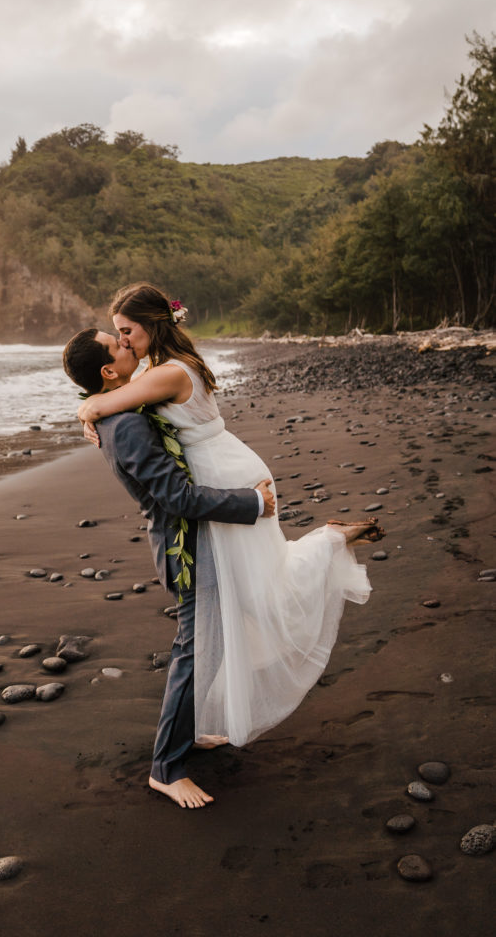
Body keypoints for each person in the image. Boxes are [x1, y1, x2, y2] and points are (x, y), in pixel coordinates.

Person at [76, 283, 380, 757]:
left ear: (151, 326)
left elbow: (106, 402)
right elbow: (122, 394)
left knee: (259, 593)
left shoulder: (167, 373)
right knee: (248, 594)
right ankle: (190, 729)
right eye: (118, 334)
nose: (125, 339)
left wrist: (87, 405)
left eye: (126, 331)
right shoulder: (162, 366)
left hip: (228, 480)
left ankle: (327, 543)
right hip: (227, 473)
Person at [63, 327, 276, 809]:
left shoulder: (120, 409)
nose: (128, 345)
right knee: (194, 646)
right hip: (185, 548)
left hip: (196, 541)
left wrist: (89, 406)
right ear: (107, 370)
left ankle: (193, 729)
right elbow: (177, 498)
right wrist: (251, 503)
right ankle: (165, 768)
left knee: (213, 635)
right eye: (118, 345)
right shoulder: (128, 425)